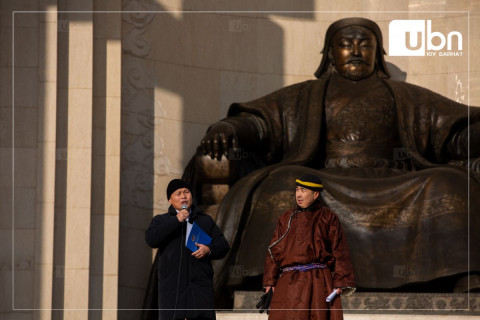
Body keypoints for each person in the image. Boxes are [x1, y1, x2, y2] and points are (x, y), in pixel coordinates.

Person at [185, 17, 480, 296]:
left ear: (377, 53)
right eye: (346, 43)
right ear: (330, 53)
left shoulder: (403, 95)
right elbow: (262, 124)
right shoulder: (306, 94)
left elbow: (456, 133)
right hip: (325, 179)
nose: (355, 50)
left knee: (448, 183)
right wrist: (227, 128)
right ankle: (277, 275)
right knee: (284, 183)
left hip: (394, 181)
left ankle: (463, 274)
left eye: (364, 43)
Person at [260, 174, 355, 320]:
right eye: (297, 189)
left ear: (315, 194)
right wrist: (270, 282)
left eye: (303, 190)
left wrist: (341, 281)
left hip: (317, 281)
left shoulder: (327, 217)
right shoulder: (286, 218)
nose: (298, 194)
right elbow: (273, 250)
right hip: (289, 281)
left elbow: (339, 250)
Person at [145, 179, 230, 320]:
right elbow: (151, 239)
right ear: (170, 200)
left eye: (186, 192)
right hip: (172, 291)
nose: (183, 196)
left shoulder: (204, 220)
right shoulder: (161, 221)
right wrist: (176, 220)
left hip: (199, 290)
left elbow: (223, 246)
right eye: (178, 193)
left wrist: (208, 250)